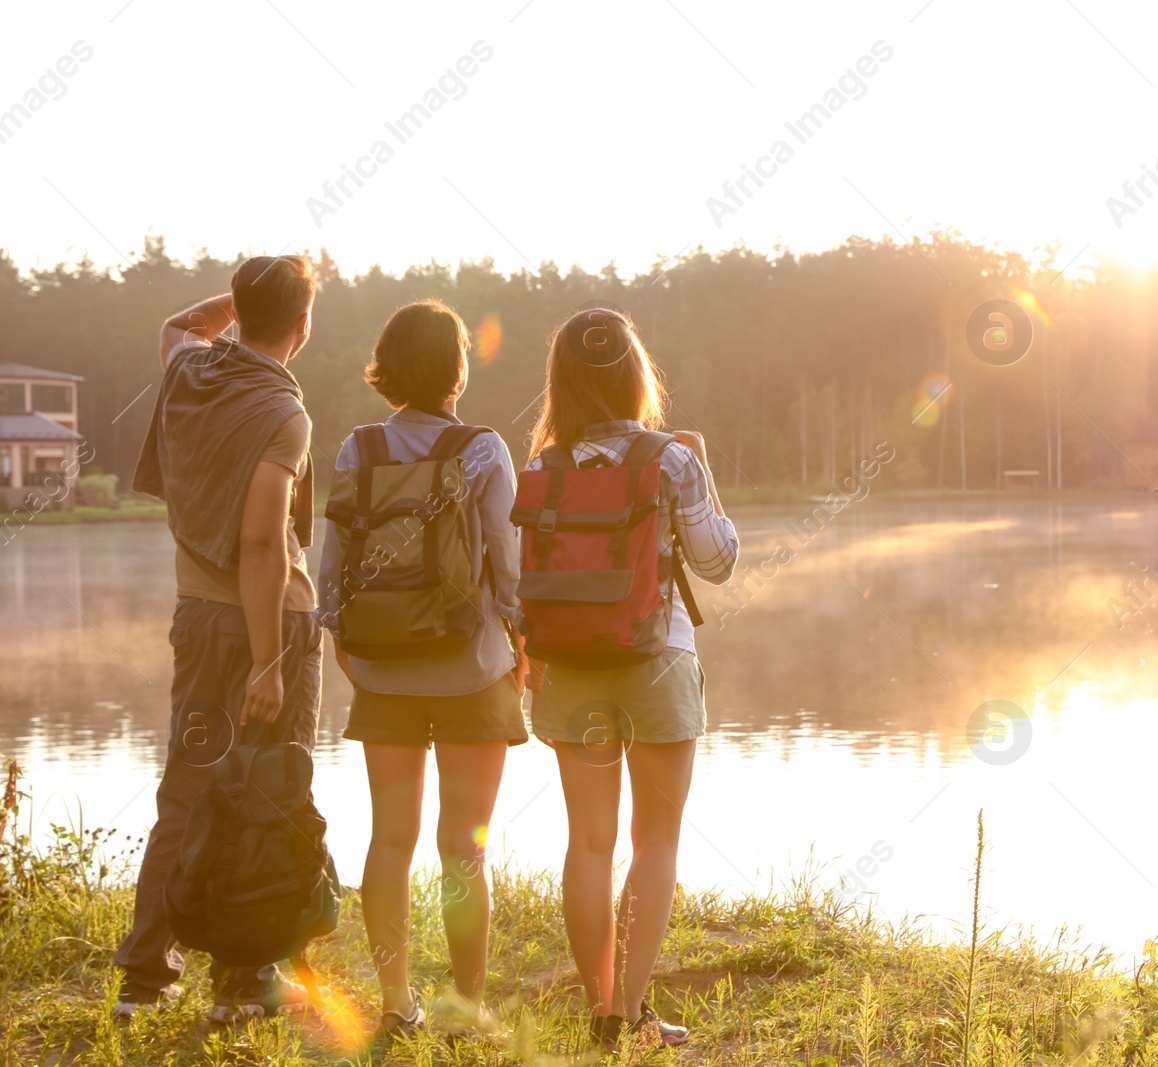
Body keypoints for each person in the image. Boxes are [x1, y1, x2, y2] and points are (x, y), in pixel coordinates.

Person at [115, 255, 323, 1024]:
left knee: (189, 789)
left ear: (237, 310)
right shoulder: (283, 413)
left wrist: (234, 303)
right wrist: (269, 660)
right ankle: (243, 980)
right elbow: (263, 544)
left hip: (199, 620)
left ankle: (143, 974)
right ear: (303, 326)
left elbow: (179, 325)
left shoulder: (189, 371)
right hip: (268, 624)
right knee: (267, 793)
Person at [525, 306, 738, 1049]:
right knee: (655, 841)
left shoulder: (543, 469)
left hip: (573, 664)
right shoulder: (672, 458)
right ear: (635, 373)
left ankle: (599, 1007)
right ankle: (633, 1012)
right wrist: (701, 464)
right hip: (657, 659)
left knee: (588, 841)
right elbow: (717, 561)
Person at [316, 300, 526, 1038]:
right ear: (456, 367)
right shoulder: (483, 448)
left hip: (384, 674)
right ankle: (467, 1008)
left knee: (390, 839)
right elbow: (510, 565)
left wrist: (352, 653)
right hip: (473, 669)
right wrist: (522, 648)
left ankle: (396, 1001)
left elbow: (331, 571)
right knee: (463, 846)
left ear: (388, 365)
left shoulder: (358, 449)